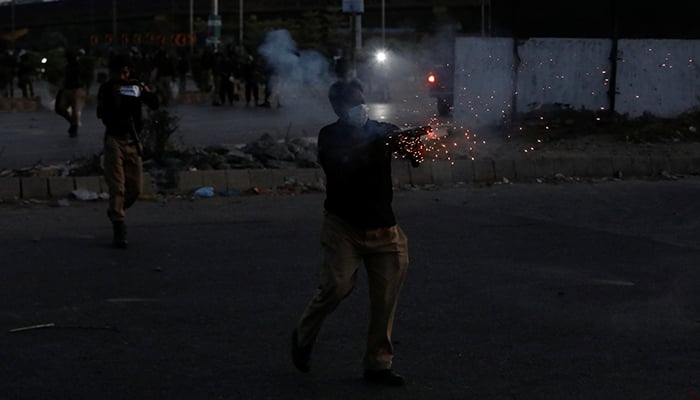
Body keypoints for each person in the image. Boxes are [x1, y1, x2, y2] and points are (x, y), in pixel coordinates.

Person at [291, 79, 427, 386]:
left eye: (362, 101)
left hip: (385, 229)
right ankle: (302, 336)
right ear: (338, 108)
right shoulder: (330, 136)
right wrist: (379, 146)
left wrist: (411, 143)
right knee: (335, 288)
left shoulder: (382, 129)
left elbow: (415, 158)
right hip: (344, 228)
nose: (361, 108)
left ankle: (378, 364)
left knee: (386, 298)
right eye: (354, 103)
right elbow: (343, 165)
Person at [96, 54, 159, 249]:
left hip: (133, 140)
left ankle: (117, 211)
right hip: (114, 139)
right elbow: (102, 114)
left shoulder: (134, 86)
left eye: (126, 72)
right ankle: (119, 225)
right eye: (119, 73)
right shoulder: (106, 89)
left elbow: (154, 103)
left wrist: (141, 92)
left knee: (135, 188)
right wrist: (115, 98)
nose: (123, 76)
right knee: (118, 187)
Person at [55, 48, 87, 137]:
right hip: (69, 89)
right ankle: (73, 124)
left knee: (73, 110)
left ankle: (74, 125)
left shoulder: (77, 66)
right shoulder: (69, 66)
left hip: (76, 89)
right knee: (62, 108)